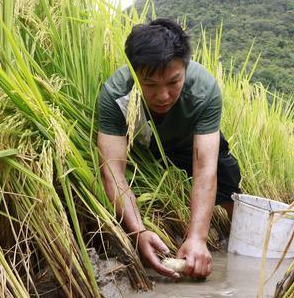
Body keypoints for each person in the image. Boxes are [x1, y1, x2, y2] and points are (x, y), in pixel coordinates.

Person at [97, 18, 241, 279]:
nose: (162, 96)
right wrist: (138, 232)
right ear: (134, 72)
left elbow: (205, 168)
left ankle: (233, 239)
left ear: (184, 70)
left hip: (189, 142)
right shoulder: (115, 94)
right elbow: (113, 170)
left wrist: (198, 237)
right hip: (145, 145)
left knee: (229, 185)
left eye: (173, 83)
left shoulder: (204, 90)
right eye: (150, 85)